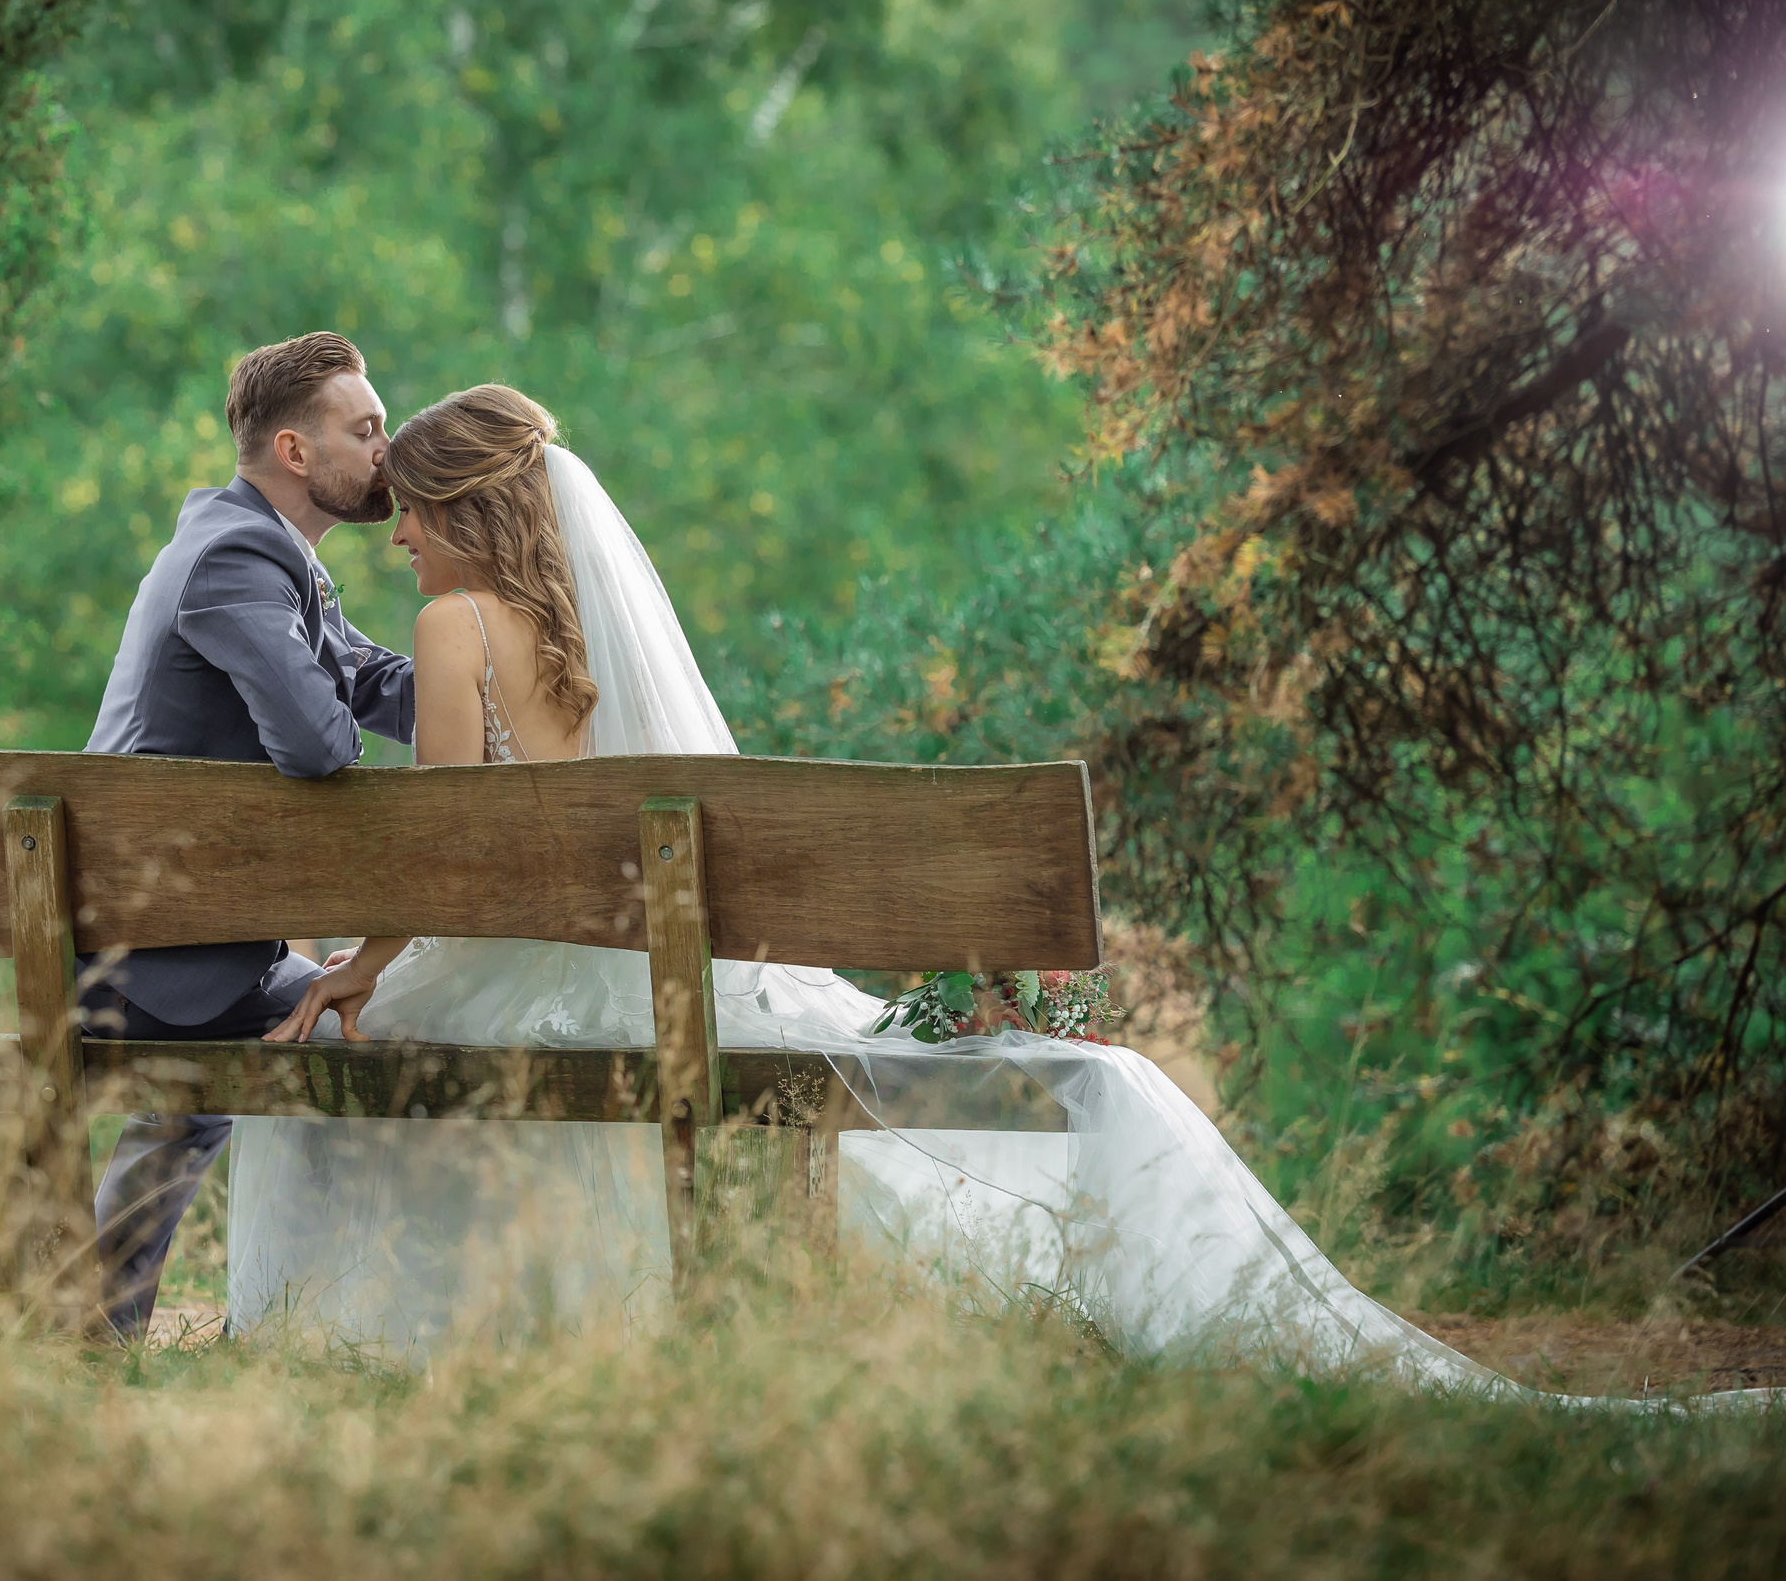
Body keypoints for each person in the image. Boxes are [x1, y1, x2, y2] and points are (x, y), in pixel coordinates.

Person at [219, 383, 1554, 1392]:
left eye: (412, 518)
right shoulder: (587, 642)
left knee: (321, 1054)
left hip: (545, 973)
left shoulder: (457, 626)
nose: (398, 545)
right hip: (659, 970)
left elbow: (445, 857)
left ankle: (360, 1335)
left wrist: (360, 963)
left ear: (467, 512)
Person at [79, 330, 412, 1337]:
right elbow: (317, 742)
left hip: (182, 940)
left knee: (362, 1012)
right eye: (366, 430)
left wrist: (501, 669)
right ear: (294, 452)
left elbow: (367, 683)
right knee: (404, 1021)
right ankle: (345, 1319)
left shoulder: (269, 551)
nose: (386, 451)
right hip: (151, 961)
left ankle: (94, 1330)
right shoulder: (233, 555)